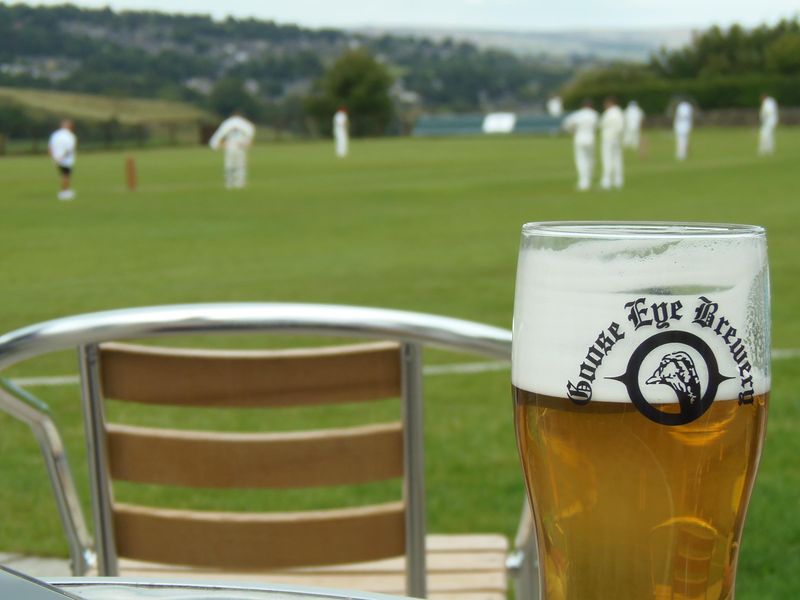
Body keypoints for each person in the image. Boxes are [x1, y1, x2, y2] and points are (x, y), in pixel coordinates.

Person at [208, 111, 256, 189]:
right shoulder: (243, 124)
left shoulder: (228, 124)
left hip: (235, 147)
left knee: (232, 165)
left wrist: (218, 145)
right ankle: (238, 183)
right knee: (238, 166)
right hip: (237, 147)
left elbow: (216, 139)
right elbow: (250, 136)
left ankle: (231, 183)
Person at [562, 99, 599, 191]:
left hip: (579, 138)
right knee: (590, 160)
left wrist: (572, 131)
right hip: (590, 138)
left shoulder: (578, 114)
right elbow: (597, 126)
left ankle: (583, 182)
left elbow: (566, 123)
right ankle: (588, 180)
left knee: (581, 160)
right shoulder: (594, 114)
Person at [599, 97, 625, 190]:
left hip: (608, 138)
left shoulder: (609, 113)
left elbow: (602, 124)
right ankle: (618, 181)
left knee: (608, 159)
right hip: (616, 138)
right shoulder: (619, 112)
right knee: (617, 159)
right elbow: (621, 126)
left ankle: (607, 181)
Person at [48, 119, 77, 201]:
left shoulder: (55, 134)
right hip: (66, 159)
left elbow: (50, 147)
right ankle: (64, 192)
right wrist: (61, 157)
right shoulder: (70, 136)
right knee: (66, 175)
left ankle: (64, 191)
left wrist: (54, 158)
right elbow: (69, 149)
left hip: (56, 158)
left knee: (63, 175)